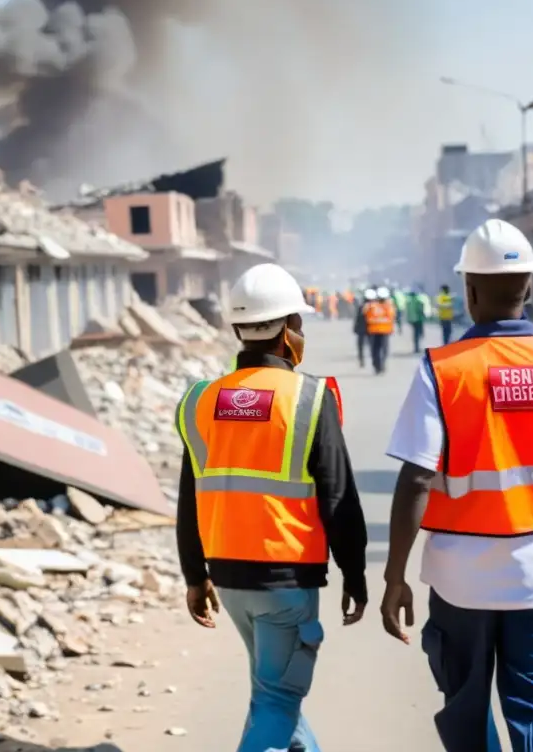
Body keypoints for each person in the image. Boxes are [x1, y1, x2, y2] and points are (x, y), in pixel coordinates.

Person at [380, 219, 533, 752]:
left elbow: (415, 476)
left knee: (465, 704)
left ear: (469, 290)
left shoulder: (442, 369)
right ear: (529, 286)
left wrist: (394, 577)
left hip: (461, 579)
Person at [174, 263, 369, 752]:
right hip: (286, 580)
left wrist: (195, 576)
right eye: (299, 324)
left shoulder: (200, 399)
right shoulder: (308, 396)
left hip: (230, 580)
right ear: (287, 332)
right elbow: (338, 493)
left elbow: (188, 496)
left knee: (273, 693)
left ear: (239, 328)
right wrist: (356, 574)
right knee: (277, 701)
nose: (302, 332)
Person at [365, 286, 395, 374]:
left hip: (374, 331)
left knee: (375, 350)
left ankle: (377, 366)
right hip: (384, 331)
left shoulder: (371, 306)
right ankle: (381, 365)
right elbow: (391, 317)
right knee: (384, 349)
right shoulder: (389, 306)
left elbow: (368, 317)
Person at [355, 287, 376, 368]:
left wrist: (356, 328)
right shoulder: (374, 306)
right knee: (372, 346)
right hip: (370, 329)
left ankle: (362, 360)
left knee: (361, 346)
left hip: (363, 329)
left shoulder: (363, 306)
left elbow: (357, 319)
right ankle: (373, 361)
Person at [406, 288, 428, 353]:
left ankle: (416, 347)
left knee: (415, 334)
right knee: (419, 333)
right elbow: (421, 309)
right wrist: (424, 315)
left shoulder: (408, 301)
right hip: (418, 319)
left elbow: (408, 312)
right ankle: (417, 347)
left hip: (412, 320)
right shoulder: (418, 300)